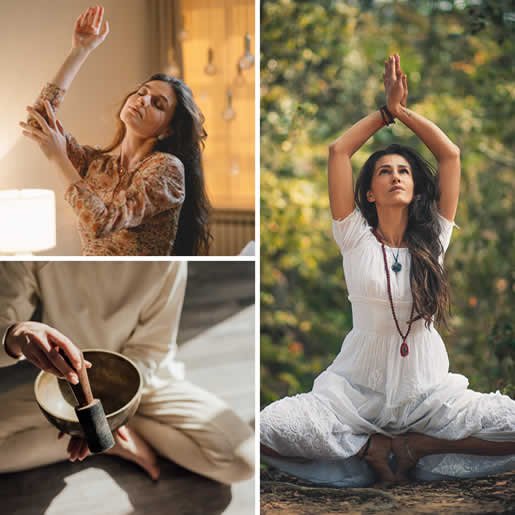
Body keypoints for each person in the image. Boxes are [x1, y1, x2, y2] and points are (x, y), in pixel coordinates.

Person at [260, 54, 515, 485]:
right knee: (266, 430)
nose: (396, 176)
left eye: (403, 171)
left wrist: (403, 112)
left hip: (428, 394)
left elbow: (449, 155)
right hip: (355, 392)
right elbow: (339, 150)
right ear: (371, 193)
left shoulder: (434, 237)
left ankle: (420, 447)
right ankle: (368, 447)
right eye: (384, 171)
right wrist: (383, 114)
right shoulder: (354, 235)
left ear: (415, 186)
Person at [0, 262, 254, 484]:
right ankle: (109, 442)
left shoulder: (164, 260)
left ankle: (109, 433)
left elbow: (151, 349)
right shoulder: (37, 246)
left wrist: (106, 417)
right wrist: (15, 335)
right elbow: (4, 322)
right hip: (67, 389)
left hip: (147, 383)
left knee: (243, 461)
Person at [19, 6, 211, 256]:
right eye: (142, 92)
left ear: (168, 131)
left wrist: (59, 158)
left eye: (157, 104)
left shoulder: (166, 169)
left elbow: (103, 222)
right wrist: (79, 51)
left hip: (133, 284)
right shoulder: (98, 165)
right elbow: (38, 122)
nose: (143, 100)